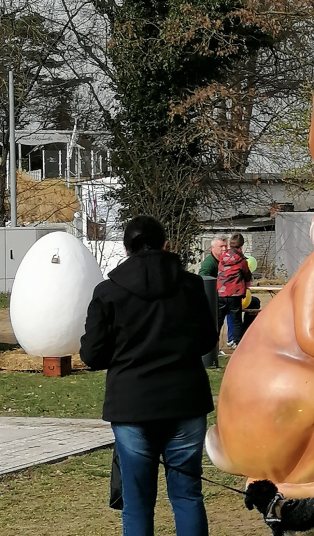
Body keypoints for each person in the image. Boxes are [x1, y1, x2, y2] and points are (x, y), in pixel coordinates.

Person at [80, 215, 217, 536]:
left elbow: (91, 354)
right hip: (185, 402)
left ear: (126, 249)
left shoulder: (107, 292)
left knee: (138, 502)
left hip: (132, 406)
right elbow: (206, 341)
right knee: (187, 495)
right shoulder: (191, 286)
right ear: (165, 245)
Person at [217, 233, 252, 348]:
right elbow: (247, 275)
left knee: (218, 321)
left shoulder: (222, 257)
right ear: (241, 246)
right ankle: (236, 343)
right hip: (235, 293)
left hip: (221, 293)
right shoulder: (241, 260)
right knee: (236, 320)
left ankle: (213, 346)